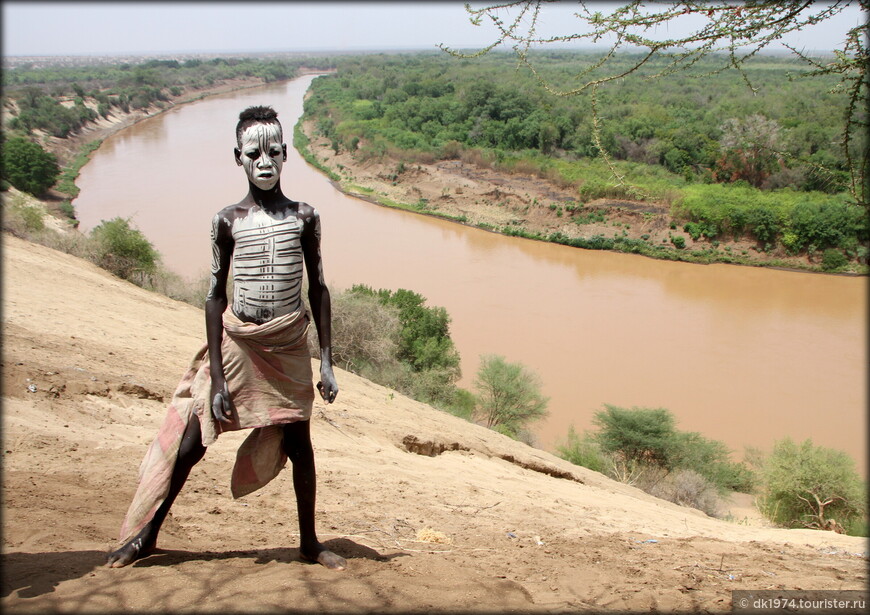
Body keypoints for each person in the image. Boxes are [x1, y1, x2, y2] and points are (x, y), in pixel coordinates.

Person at [107, 105, 346, 571]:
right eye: (253, 152)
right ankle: (147, 536)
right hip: (239, 346)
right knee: (194, 441)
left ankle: (309, 543)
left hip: (289, 343)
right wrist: (216, 377)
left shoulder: (305, 217)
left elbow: (317, 287)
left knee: (300, 446)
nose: (264, 161)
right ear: (238, 156)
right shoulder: (226, 220)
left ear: (285, 155)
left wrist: (327, 361)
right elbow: (215, 296)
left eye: (273, 151)